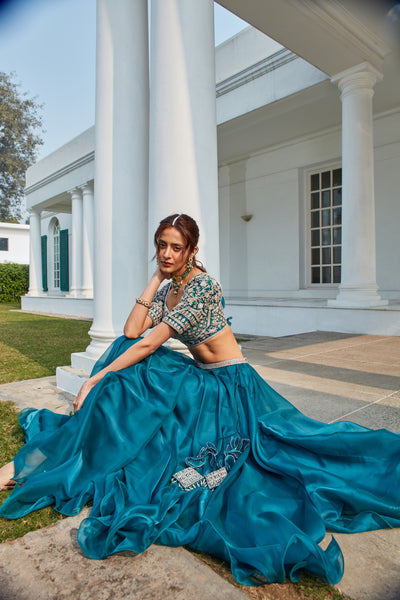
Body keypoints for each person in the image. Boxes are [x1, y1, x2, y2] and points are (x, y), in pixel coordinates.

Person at [1, 213, 400, 587]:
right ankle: (89, 442)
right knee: (126, 354)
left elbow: (152, 341)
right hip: (205, 381)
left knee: (131, 368)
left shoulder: (203, 286)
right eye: (162, 246)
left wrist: (94, 379)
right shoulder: (171, 286)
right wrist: (156, 277)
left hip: (232, 385)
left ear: (192, 251)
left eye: (176, 248)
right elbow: (132, 330)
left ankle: (84, 441)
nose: (167, 253)